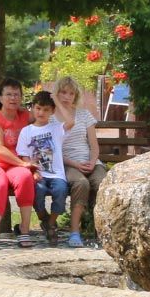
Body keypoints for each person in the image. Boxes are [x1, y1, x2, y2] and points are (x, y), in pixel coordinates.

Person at [0, 78, 39, 251]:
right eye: (9, 94)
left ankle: (24, 230)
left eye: (17, 94)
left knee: (25, 178)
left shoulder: (24, 116)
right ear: (0, 98)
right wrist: (23, 163)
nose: (13, 98)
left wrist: (62, 100)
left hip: (14, 166)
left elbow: (46, 113)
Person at [53, 76, 105, 248]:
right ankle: (75, 231)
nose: (67, 97)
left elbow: (94, 145)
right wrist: (75, 164)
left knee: (102, 183)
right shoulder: (51, 118)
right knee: (81, 183)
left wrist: (92, 161)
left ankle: (102, 231)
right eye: (63, 92)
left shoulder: (84, 115)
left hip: (90, 161)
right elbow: (54, 151)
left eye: (71, 93)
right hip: (67, 163)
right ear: (56, 93)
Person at [19, 91, 69, 246]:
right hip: (37, 174)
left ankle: (51, 224)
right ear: (33, 108)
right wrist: (32, 171)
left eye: (46, 109)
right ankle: (44, 219)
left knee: (61, 190)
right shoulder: (26, 131)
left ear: (52, 111)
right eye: (38, 108)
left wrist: (57, 101)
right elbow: (23, 155)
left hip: (56, 174)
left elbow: (71, 121)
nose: (41, 112)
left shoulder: (56, 128)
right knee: (38, 191)